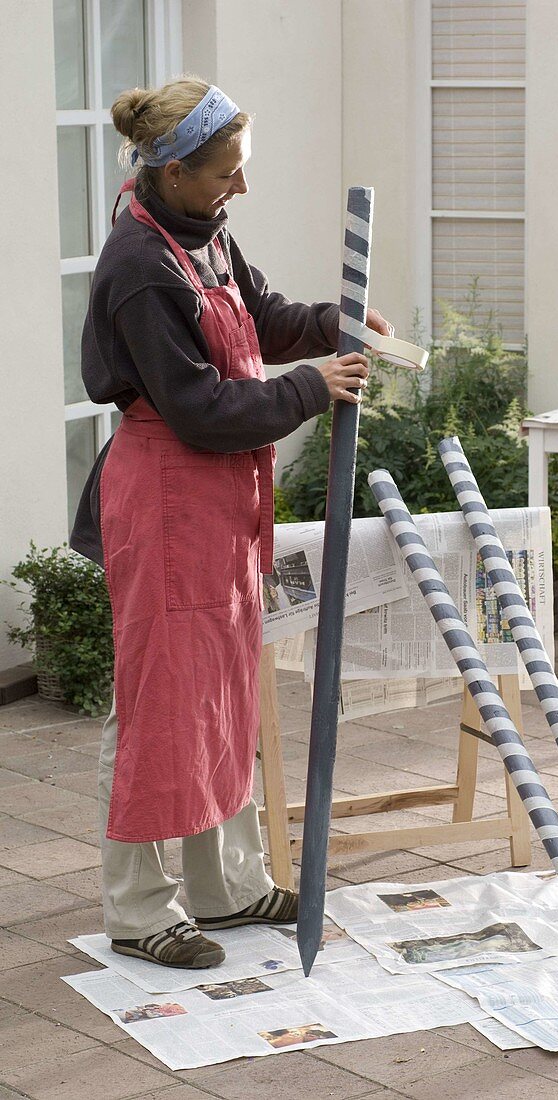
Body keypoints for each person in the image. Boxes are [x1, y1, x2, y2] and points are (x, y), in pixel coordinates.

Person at [70, 76, 392, 969]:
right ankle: (140, 911)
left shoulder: (201, 233)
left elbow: (267, 317)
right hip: (168, 499)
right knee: (154, 707)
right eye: (223, 173)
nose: (237, 189)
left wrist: (336, 324)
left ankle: (228, 888)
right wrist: (306, 388)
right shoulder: (138, 268)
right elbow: (199, 409)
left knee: (222, 694)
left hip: (217, 505)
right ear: (170, 171)